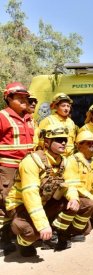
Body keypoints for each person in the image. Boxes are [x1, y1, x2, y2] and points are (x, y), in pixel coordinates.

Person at [5, 124, 80, 257]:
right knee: (32, 232)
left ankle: (54, 233)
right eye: (58, 139)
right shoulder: (32, 161)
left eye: (65, 139)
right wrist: (42, 225)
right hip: (21, 206)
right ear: (46, 142)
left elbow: (70, 184)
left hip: (43, 202)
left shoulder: (65, 162)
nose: (63, 142)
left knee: (76, 205)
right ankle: (22, 243)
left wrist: (73, 197)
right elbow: (30, 195)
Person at [0, 82, 34, 255]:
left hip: (27, 169)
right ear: (8, 98)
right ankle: (5, 239)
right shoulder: (2, 117)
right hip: (8, 169)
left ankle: (23, 238)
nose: (24, 99)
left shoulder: (29, 118)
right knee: (7, 204)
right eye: (19, 97)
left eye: (25, 97)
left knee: (26, 202)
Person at [51, 130, 93, 247]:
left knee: (86, 230)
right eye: (88, 143)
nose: (92, 146)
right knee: (89, 204)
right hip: (73, 197)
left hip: (87, 198)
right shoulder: (72, 160)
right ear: (79, 145)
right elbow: (74, 184)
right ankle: (56, 230)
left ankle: (73, 232)